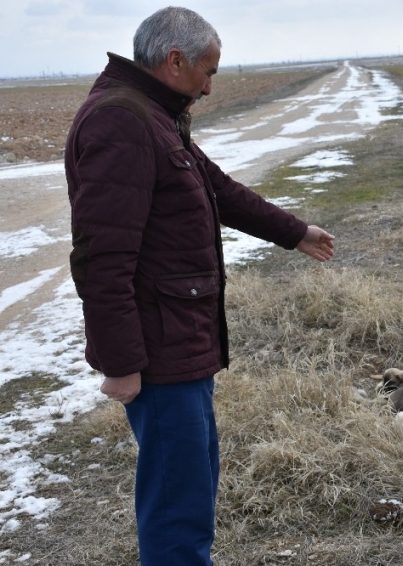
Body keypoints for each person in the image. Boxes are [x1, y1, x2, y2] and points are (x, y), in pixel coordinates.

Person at [64, 7, 335, 565]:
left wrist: (294, 233)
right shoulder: (122, 121)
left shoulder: (155, 114)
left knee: (193, 479)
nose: (210, 87)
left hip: (182, 340)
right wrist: (119, 362)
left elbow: (220, 189)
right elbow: (103, 257)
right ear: (175, 60)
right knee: (176, 503)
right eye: (208, 72)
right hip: (157, 350)